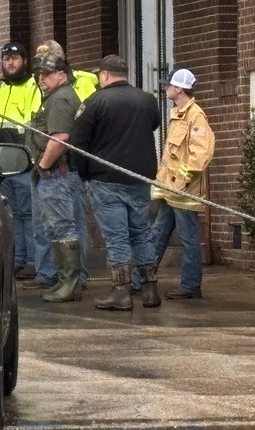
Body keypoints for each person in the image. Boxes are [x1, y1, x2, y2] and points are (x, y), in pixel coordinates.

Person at [70, 55, 161, 311]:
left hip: (106, 179)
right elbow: (152, 125)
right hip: (140, 178)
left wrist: (84, 174)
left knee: (116, 236)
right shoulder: (148, 100)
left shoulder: (95, 102)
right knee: (141, 231)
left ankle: (120, 292)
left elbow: (79, 143)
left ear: (105, 75)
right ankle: (150, 289)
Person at [151, 68, 215, 299]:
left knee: (188, 237)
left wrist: (183, 178)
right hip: (170, 188)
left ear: (179, 89)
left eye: (169, 85)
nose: (165, 88)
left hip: (183, 190)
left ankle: (190, 286)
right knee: (158, 232)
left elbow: (200, 154)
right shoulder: (178, 113)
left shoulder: (195, 116)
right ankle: (143, 279)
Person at [0, 42, 40, 279]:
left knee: (29, 215)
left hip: (24, 162)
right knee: (12, 215)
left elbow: (35, 122)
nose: (10, 63)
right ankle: (18, 260)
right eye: (6, 59)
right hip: (1, 164)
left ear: (24, 61)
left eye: (15, 58)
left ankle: (33, 261)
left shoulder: (34, 88)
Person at [27, 55, 85, 302]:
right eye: (39, 74)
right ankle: (65, 280)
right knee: (57, 227)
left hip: (57, 175)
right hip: (60, 174)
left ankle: (70, 284)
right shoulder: (59, 95)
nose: (41, 79)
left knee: (62, 228)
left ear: (61, 74)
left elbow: (60, 137)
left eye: (46, 73)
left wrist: (43, 165)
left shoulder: (61, 98)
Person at [34, 40, 99, 101]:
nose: (41, 77)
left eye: (46, 72)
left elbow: (89, 110)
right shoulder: (36, 85)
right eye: (39, 73)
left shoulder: (82, 82)